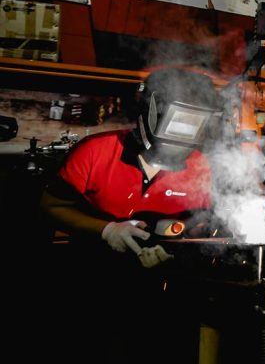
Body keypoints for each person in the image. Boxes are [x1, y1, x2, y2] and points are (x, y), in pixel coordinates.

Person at [41, 66, 220, 267]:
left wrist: (180, 238)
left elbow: (202, 222)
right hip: (88, 268)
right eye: (178, 121)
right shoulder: (95, 151)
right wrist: (107, 230)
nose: (183, 132)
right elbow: (50, 206)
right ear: (151, 111)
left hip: (163, 275)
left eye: (194, 124)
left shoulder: (200, 166)